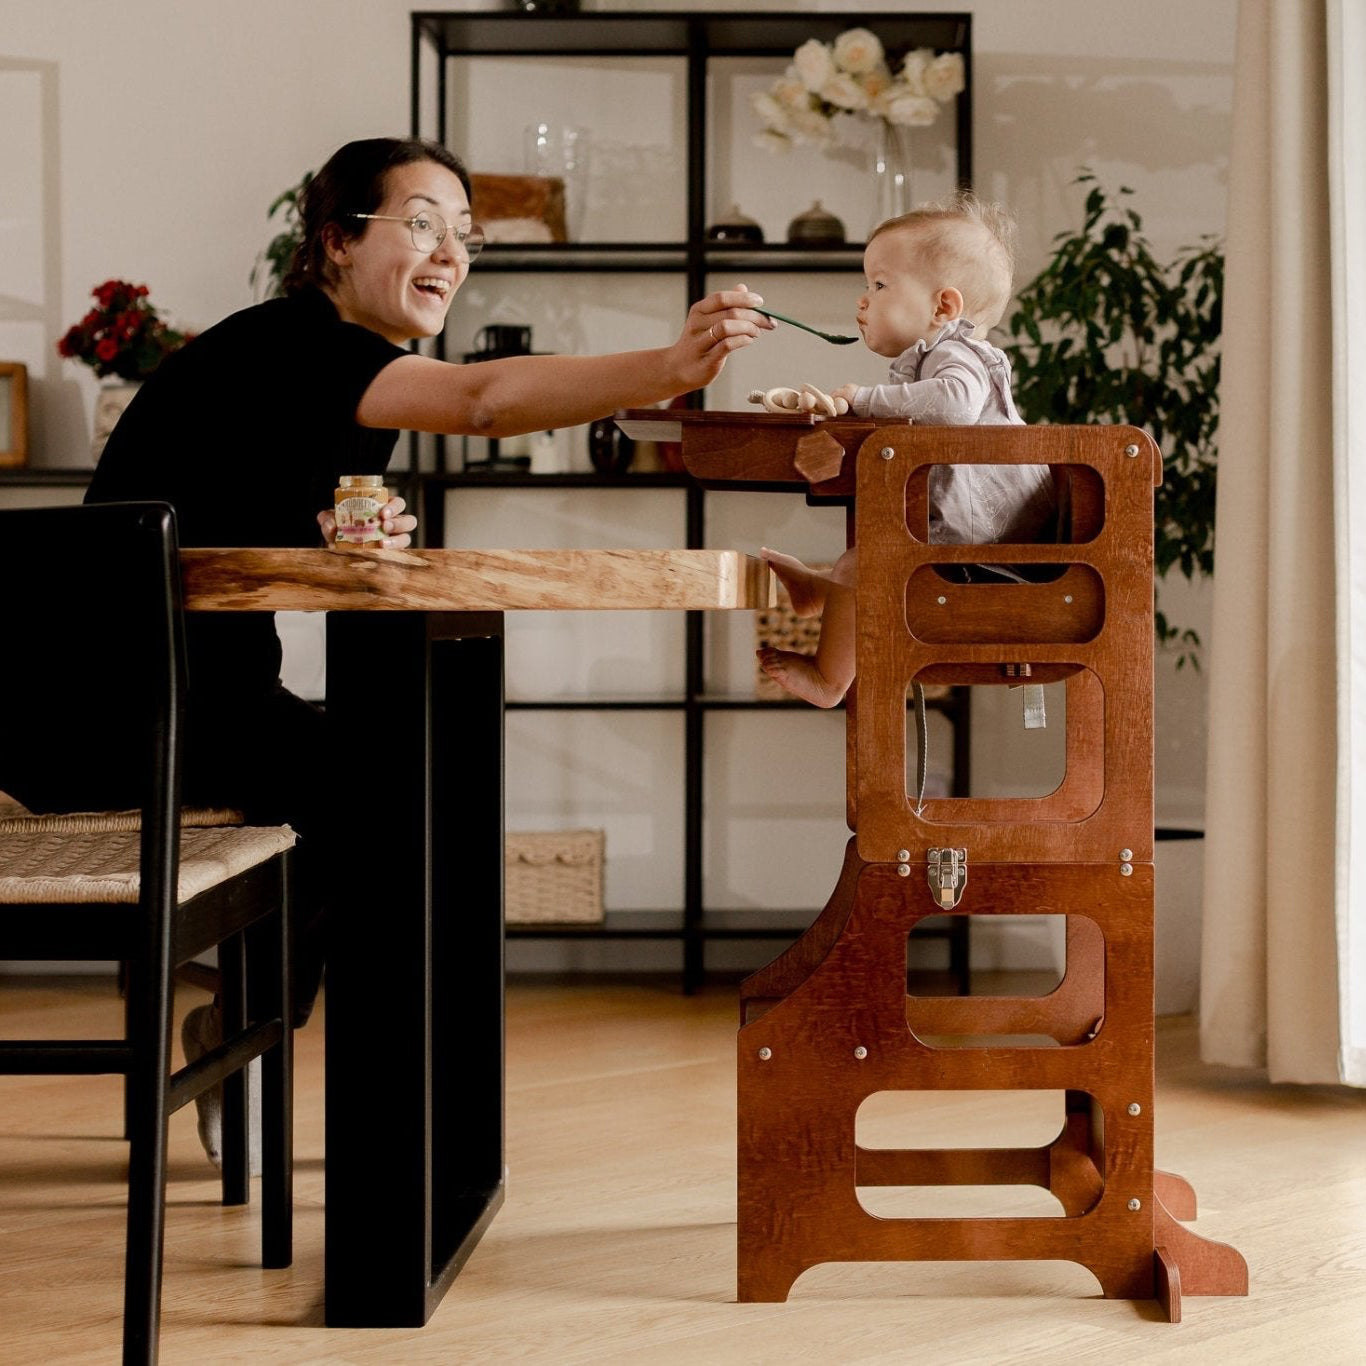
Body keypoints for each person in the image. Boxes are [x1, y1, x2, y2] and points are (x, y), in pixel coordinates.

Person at [5, 136, 770, 1166]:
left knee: (389, 780)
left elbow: (246, 509)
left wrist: (343, 531)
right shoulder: (296, 345)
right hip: (106, 713)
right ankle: (309, 1082)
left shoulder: (329, 370)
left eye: (464, 233)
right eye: (421, 222)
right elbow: (481, 401)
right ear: (334, 241)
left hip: (190, 700)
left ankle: (263, 1039)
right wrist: (672, 367)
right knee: (381, 789)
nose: (449, 251)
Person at [756, 191, 1057, 708]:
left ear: (944, 305)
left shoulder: (958, 354)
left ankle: (830, 683)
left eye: (879, 284)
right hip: (976, 541)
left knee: (865, 565)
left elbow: (959, 404)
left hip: (997, 555)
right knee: (864, 561)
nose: (863, 300)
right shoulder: (934, 359)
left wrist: (864, 399)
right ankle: (826, 592)